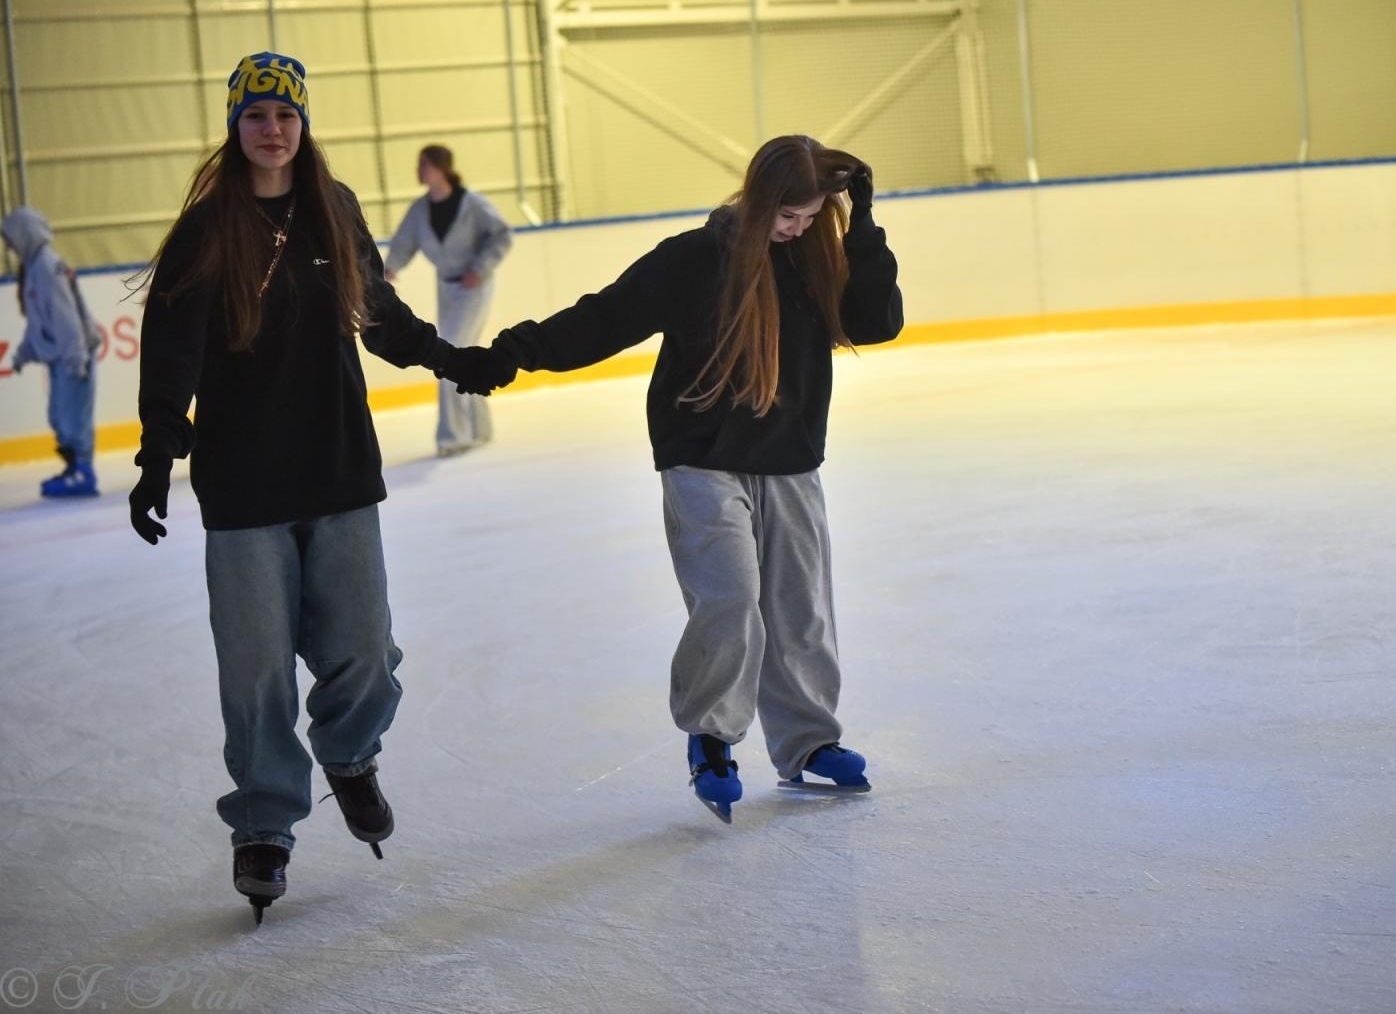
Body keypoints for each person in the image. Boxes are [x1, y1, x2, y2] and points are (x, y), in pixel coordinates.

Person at [126, 52, 496, 923]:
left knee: (366, 651)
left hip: (335, 466)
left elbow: (380, 316)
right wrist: (155, 456)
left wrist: (449, 358)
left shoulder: (334, 211)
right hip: (244, 482)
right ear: (235, 125)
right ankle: (263, 823)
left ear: (304, 123)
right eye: (256, 115)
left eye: (286, 115)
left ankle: (350, 754)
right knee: (255, 673)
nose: (272, 128)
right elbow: (170, 353)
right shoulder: (203, 233)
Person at [459, 134, 902, 822]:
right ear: (757, 202)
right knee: (731, 596)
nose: (798, 230)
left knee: (799, 609)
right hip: (700, 455)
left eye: (812, 218)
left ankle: (809, 745)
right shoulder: (695, 260)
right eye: (788, 217)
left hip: (789, 459)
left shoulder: (817, 265)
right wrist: (512, 355)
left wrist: (863, 224)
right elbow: (603, 318)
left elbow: (879, 322)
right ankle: (712, 736)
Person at [383, 145, 511, 456]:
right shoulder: (420, 209)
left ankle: (453, 435)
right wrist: (388, 269)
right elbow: (404, 242)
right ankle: (480, 428)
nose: (419, 169)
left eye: (424, 164)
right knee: (463, 353)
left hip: (474, 288)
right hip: (446, 288)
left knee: (448, 352)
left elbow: (501, 234)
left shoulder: (473, 204)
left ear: (441, 167)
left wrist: (479, 268)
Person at [0, 206, 101, 497]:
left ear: (24, 235)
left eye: (10, 238)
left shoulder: (46, 267)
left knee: (73, 415)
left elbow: (66, 318)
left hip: (74, 356)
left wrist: (76, 359)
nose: (8, 246)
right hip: (62, 356)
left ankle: (84, 472)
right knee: (59, 415)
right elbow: (39, 325)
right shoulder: (33, 269)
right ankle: (73, 469)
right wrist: (23, 353)